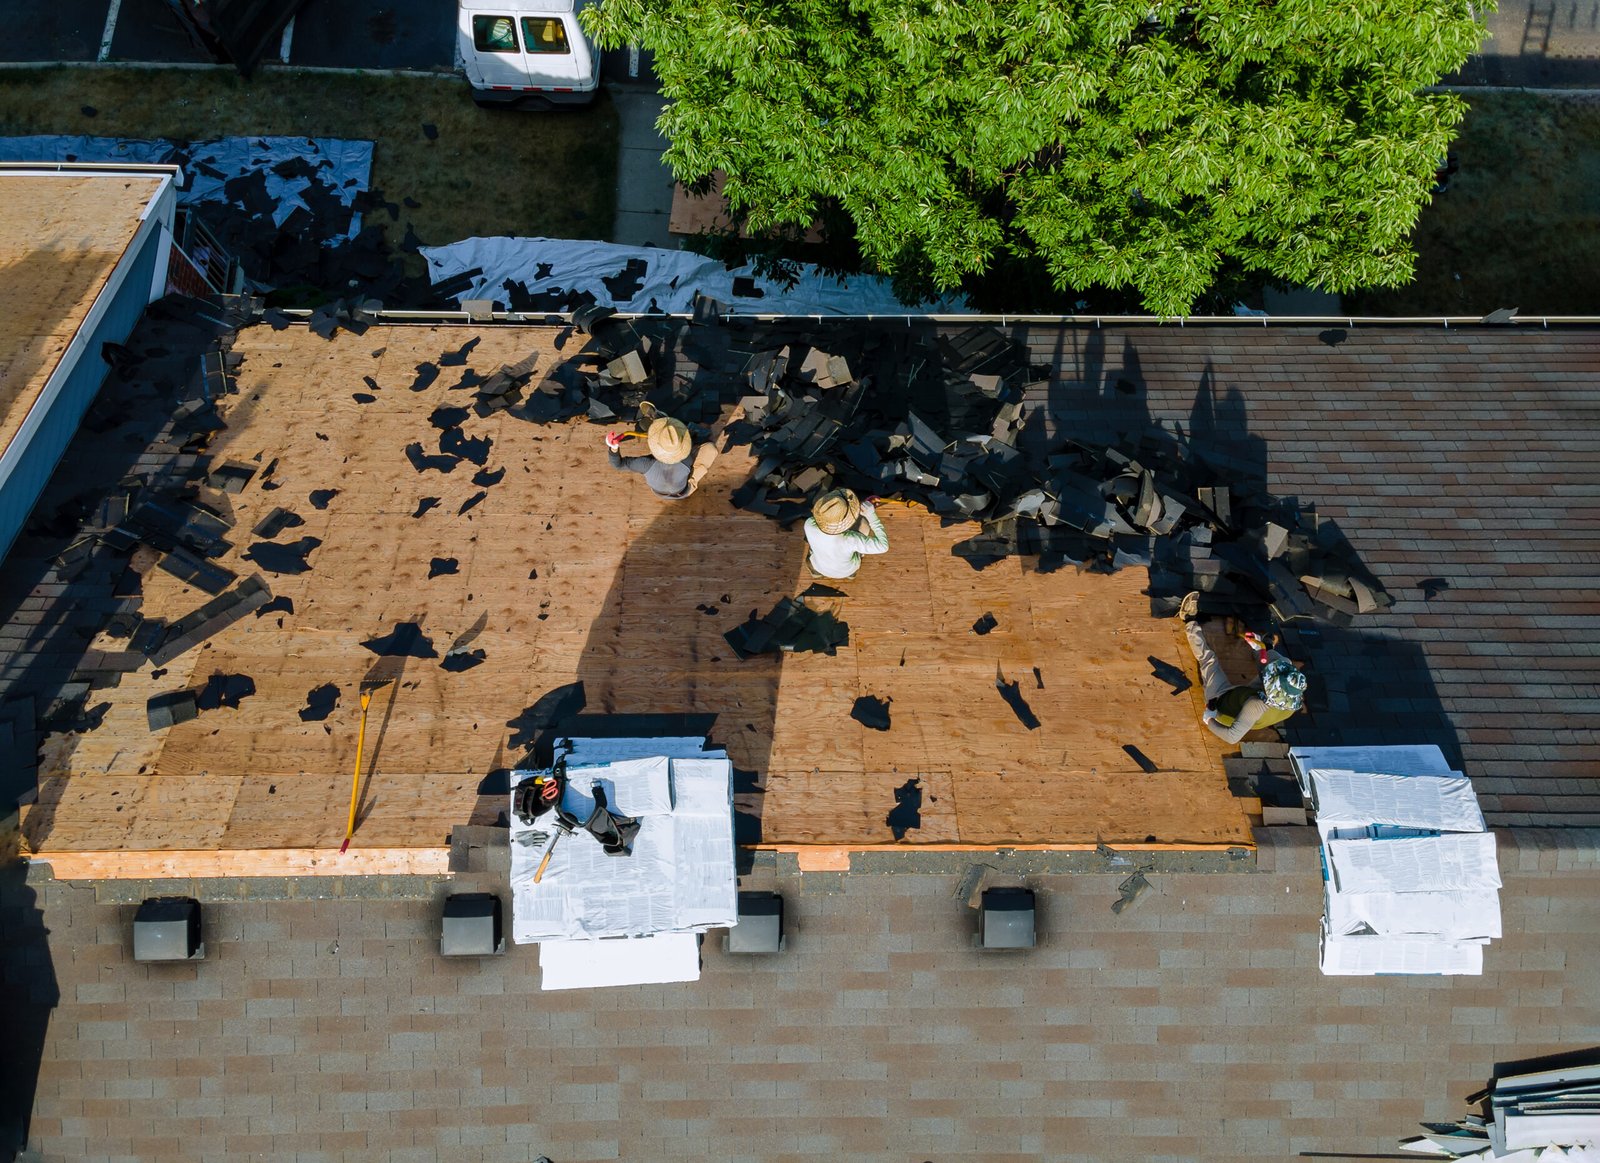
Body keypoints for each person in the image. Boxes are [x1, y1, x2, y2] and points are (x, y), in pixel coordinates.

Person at [1178, 592, 1307, 743]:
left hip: (1222, 704)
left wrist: (1210, 720)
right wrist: (1258, 647)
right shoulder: (1291, 700)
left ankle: (1189, 620)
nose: (1276, 669)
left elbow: (1232, 737)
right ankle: (1263, 646)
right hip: (1251, 696)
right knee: (1278, 660)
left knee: (1209, 660)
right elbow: (1271, 667)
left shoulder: (1255, 706)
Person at [605, 415, 717, 501]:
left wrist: (614, 447)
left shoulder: (645, 464)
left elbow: (618, 465)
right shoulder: (686, 458)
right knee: (710, 448)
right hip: (683, 492)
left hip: (659, 493)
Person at [803, 488, 889, 579]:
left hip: (818, 566)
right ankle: (851, 575)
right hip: (846, 571)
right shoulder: (850, 540)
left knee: (812, 552)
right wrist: (872, 516)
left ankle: (815, 573)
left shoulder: (808, 524)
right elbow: (883, 546)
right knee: (864, 525)